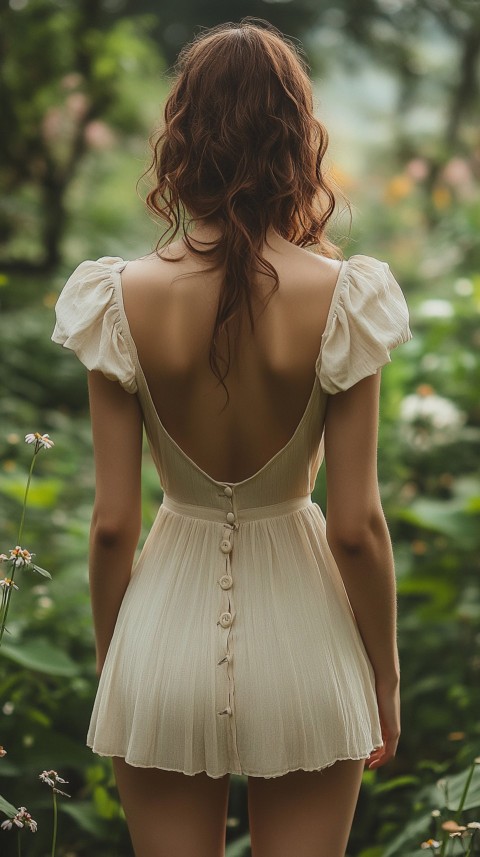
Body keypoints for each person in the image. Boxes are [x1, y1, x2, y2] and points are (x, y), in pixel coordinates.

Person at [51, 18, 412, 857]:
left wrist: (121, 666)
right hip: (308, 643)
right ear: (296, 139)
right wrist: (384, 679)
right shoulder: (344, 296)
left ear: (182, 136)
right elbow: (356, 525)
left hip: (161, 637)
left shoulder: (118, 297)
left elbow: (112, 522)